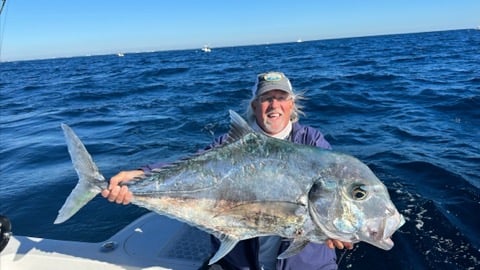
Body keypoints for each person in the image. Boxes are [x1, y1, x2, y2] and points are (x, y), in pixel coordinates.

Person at [101, 71, 353, 270]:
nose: (274, 105)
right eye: (266, 98)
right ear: (255, 106)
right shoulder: (229, 145)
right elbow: (193, 166)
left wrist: (335, 227)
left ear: (291, 104)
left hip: (304, 266)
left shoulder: (311, 142)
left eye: (281, 97)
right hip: (236, 262)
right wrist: (140, 175)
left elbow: (333, 189)